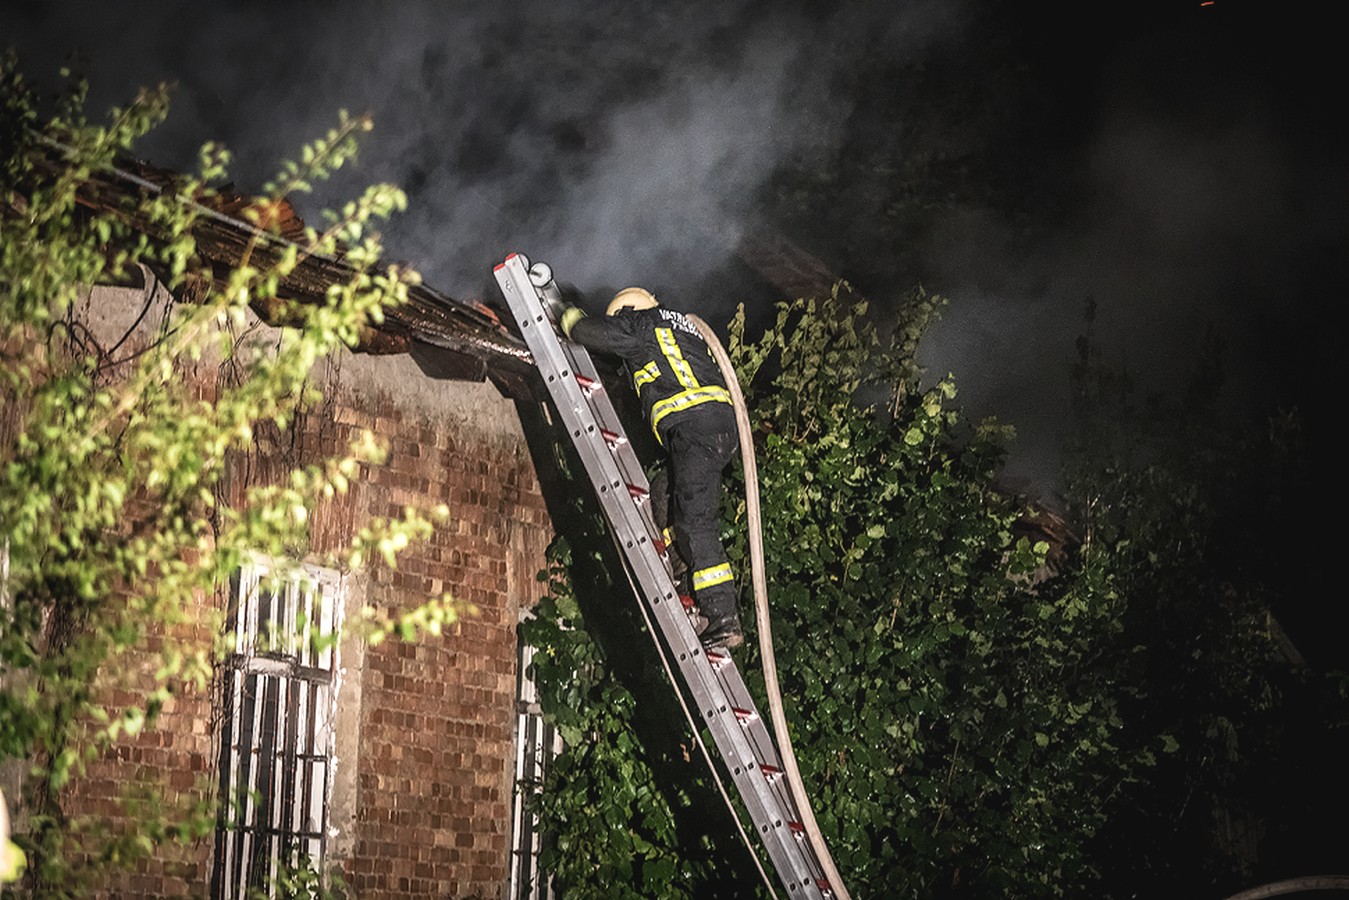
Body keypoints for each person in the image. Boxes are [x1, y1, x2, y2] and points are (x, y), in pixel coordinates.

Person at [559, 287, 743, 650]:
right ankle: (683, 571)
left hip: (695, 428)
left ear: (628, 310)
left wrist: (568, 316)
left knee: (695, 520)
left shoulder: (643, 324)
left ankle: (723, 615)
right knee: (664, 490)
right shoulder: (680, 328)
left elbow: (592, 333)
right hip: (712, 429)